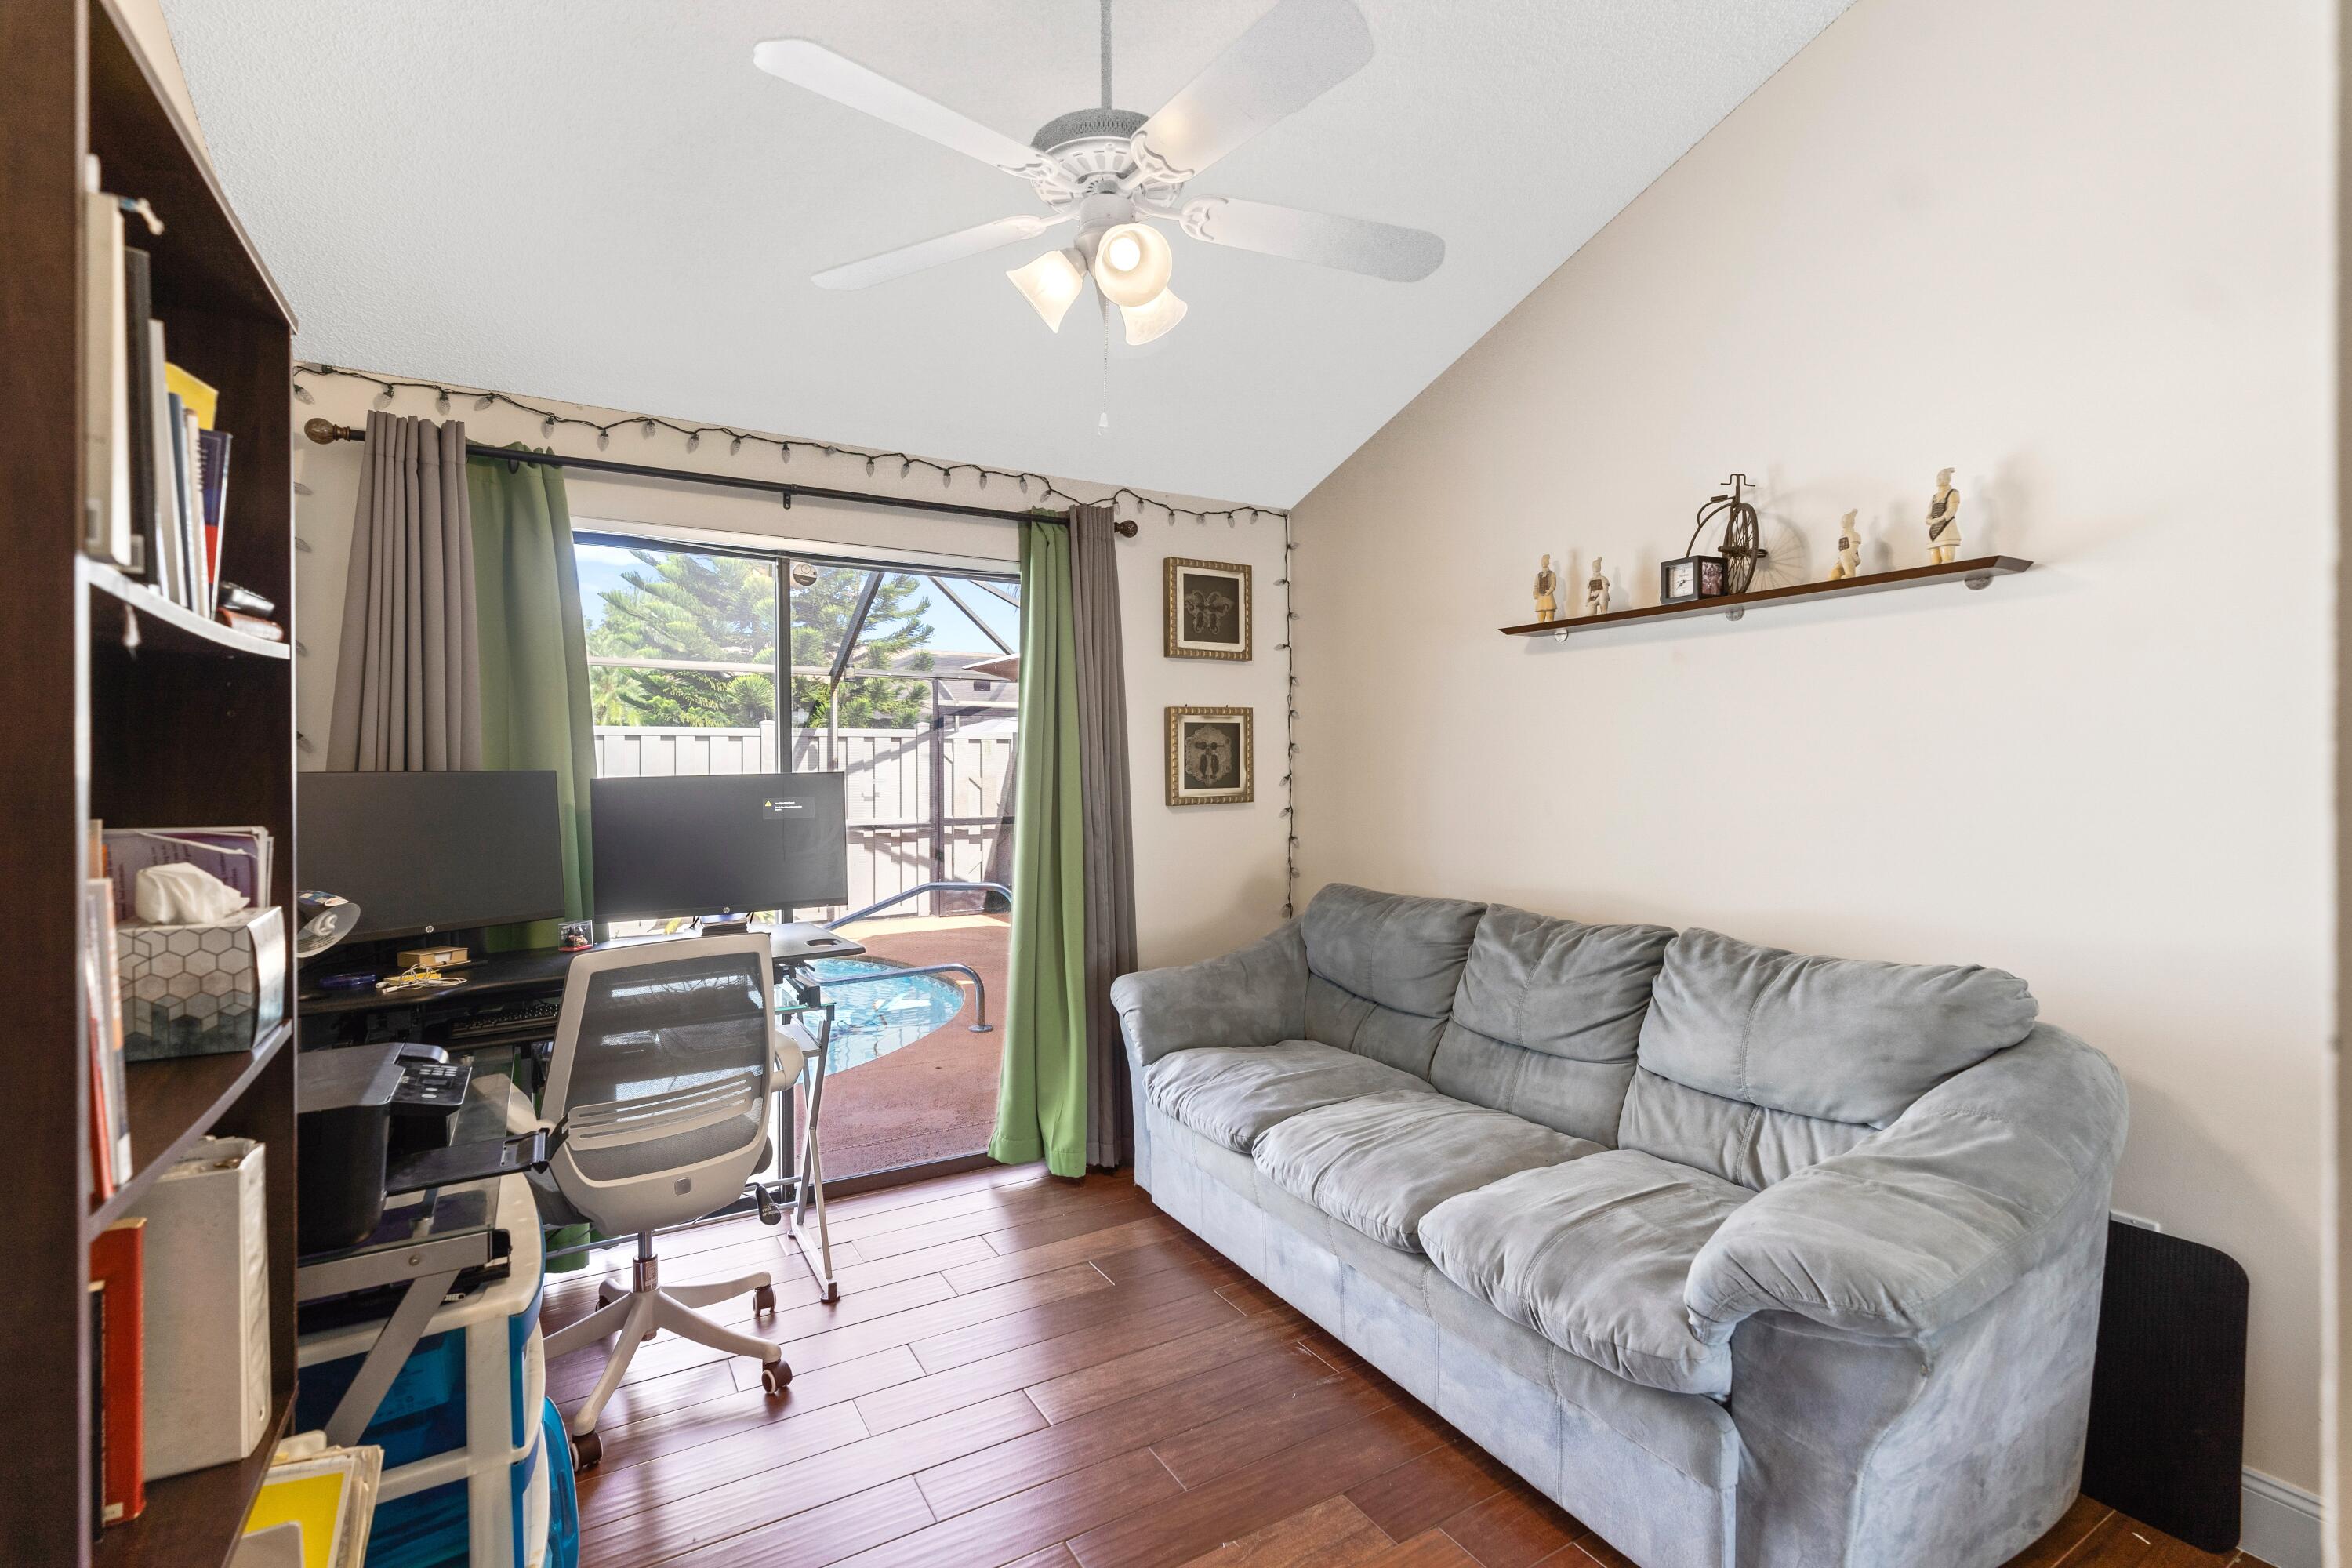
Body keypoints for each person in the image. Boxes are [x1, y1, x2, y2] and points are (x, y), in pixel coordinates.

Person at [1925, 469, 1962, 564]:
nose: (1938, 479)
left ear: (1947, 479)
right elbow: (1929, 513)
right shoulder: (1935, 497)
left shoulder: (1953, 492)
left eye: (1941, 477)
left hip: (1946, 528)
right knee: (1934, 562)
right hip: (1934, 531)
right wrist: (1929, 520)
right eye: (1938, 477)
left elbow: (1952, 509)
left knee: (1947, 560)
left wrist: (1939, 519)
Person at [1532, 554, 1559, 622]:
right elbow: (1536, 586)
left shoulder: (1552, 574)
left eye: (1545, 561)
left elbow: (1553, 584)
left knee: (1550, 617)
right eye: (1542, 561)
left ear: (1548, 562)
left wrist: (1550, 590)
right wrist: (1535, 594)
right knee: (1541, 619)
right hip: (1540, 598)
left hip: (1548, 597)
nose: (1543, 563)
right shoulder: (1538, 575)